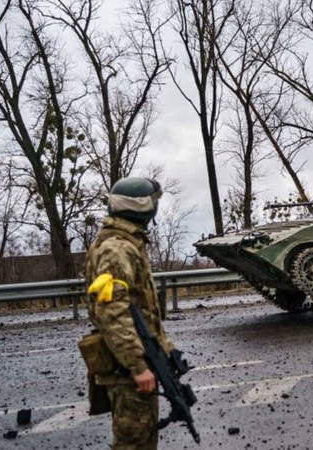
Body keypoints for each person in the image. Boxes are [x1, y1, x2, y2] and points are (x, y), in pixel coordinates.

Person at [84, 177, 176, 450]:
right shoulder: (118, 249)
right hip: (127, 367)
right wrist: (137, 366)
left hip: (135, 360)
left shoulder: (124, 243)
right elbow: (112, 313)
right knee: (132, 444)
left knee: (143, 440)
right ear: (144, 208)